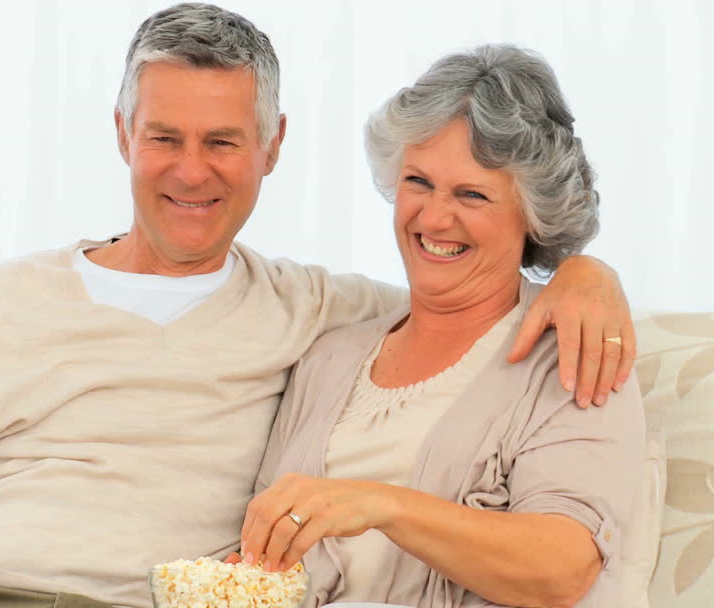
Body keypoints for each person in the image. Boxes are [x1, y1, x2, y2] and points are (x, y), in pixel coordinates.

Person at [0, 6, 636, 608]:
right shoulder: (8, 298)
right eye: (164, 138)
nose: (192, 172)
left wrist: (582, 272)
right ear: (123, 134)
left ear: (272, 145)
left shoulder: (311, 311)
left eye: (221, 141)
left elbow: (473, 307)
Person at [238, 44, 645, 608]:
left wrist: (383, 505)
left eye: (471, 194)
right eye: (418, 182)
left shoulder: (574, 352)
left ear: (534, 214)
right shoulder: (328, 357)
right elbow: (259, 560)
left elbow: (561, 568)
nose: (432, 217)